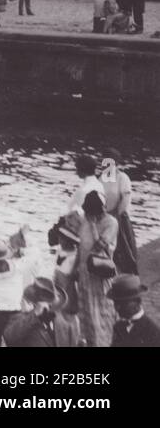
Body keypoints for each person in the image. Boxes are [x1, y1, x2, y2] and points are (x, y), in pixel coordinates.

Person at [74, 190, 120, 347]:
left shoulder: (111, 223)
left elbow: (99, 247)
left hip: (99, 275)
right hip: (84, 275)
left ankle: (103, 343)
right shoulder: (85, 219)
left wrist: (93, 225)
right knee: (86, 315)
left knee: (100, 315)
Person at [2, 277, 81, 347]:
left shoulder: (65, 322)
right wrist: (35, 314)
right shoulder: (23, 318)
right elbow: (9, 336)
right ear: (34, 303)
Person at [99, 149, 138, 275]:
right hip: (104, 217)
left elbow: (125, 199)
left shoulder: (122, 178)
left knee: (125, 252)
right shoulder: (101, 178)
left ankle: (129, 277)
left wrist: (116, 215)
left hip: (120, 217)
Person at [109, 275, 160, 346]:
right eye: (116, 303)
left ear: (138, 302)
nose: (117, 307)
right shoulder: (118, 327)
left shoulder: (152, 332)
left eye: (123, 303)